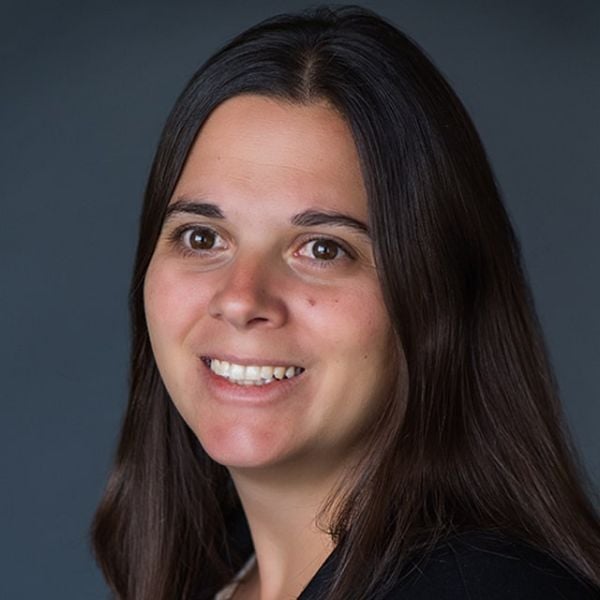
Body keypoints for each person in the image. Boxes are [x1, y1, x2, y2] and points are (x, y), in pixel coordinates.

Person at [91, 6, 600, 599]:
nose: (240, 299)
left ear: (435, 293)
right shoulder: (206, 578)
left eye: (323, 248)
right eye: (202, 237)